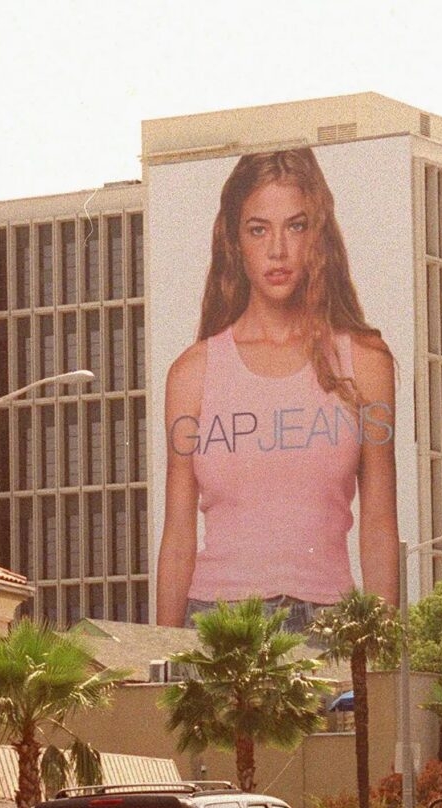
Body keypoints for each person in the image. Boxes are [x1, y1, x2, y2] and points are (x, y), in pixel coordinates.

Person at [156, 148, 399, 629]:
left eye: (296, 226)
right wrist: (160, 665)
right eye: (258, 229)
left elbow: (379, 526)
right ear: (235, 240)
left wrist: (384, 656)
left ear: (319, 235)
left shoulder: (365, 362)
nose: (278, 250)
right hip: (215, 627)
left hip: (329, 626)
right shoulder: (192, 372)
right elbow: (178, 534)